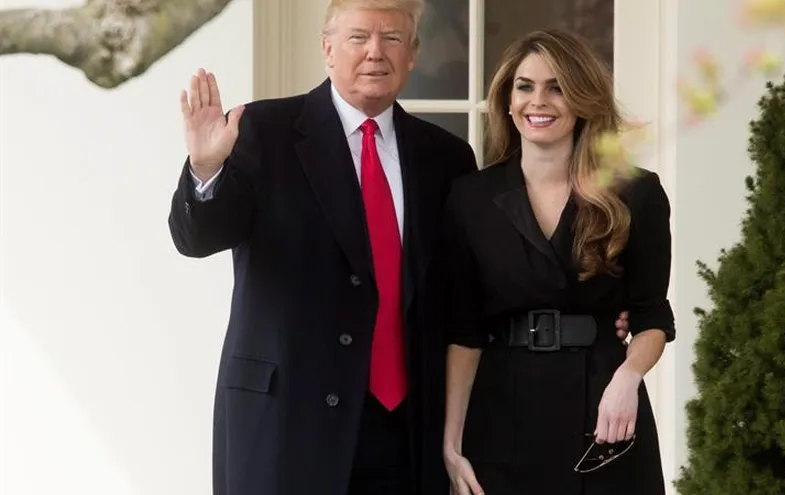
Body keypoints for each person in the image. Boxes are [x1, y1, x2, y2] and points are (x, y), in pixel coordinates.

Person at [170, 0, 633, 492]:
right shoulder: (262, 130)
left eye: (391, 38)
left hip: (409, 432)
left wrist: (599, 310)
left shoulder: (445, 157)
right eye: (358, 37)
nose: (375, 52)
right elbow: (198, 238)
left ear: (412, 53)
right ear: (327, 49)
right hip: (289, 424)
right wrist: (205, 169)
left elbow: (474, 287)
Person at [441, 28, 674, 495]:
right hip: (502, 414)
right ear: (507, 100)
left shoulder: (636, 193)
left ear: (582, 99)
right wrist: (451, 442)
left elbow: (652, 317)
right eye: (525, 86)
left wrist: (628, 378)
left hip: (604, 411)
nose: (538, 101)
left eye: (557, 88)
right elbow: (465, 333)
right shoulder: (471, 197)